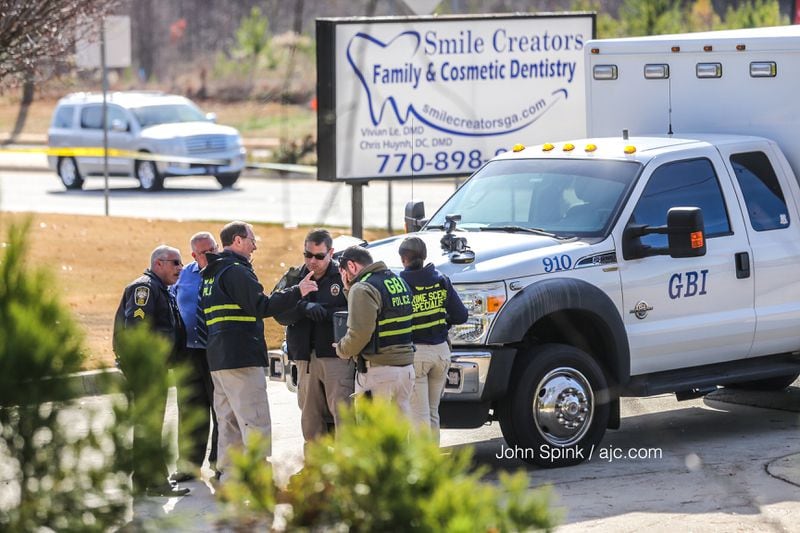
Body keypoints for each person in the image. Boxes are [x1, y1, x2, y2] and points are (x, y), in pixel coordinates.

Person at [199, 221, 317, 480]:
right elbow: (261, 306)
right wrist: (298, 291)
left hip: (218, 359)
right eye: (252, 239)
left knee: (228, 421)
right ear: (238, 241)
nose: (255, 245)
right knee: (254, 420)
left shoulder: (210, 274)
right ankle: (260, 481)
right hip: (241, 357)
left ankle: (230, 478)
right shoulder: (236, 271)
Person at [113, 245, 190, 497]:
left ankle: (144, 480)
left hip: (155, 367)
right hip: (147, 368)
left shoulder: (162, 289)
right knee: (150, 424)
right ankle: (154, 481)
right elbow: (138, 329)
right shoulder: (144, 288)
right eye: (175, 262)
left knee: (150, 425)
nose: (180, 268)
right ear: (159, 264)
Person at [274, 229, 352, 449]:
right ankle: (314, 469)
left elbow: (358, 310)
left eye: (319, 256)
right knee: (310, 417)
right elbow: (277, 310)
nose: (312, 261)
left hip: (336, 356)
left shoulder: (344, 276)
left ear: (331, 253)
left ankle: (346, 468)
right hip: (305, 358)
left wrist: (327, 313)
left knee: (343, 413)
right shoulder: (294, 277)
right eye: (308, 255)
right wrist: (302, 307)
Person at [398, 237, 468, 443]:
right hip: (441, 353)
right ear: (425, 256)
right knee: (432, 412)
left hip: (416, 355)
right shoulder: (441, 280)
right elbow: (461, 316)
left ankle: (422, 469)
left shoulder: (402, 284)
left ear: (403, 259)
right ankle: (433, 461)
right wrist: (442, 323)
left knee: (418, 417)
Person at [334, 246, 415, 415]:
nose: (345, 278)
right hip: (406, 370)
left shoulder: (362, 288)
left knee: (372, 435)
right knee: (400, 436)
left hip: (378, 372)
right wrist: (350, 291)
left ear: (351, 266)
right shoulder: (397, 280)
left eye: (344, 272)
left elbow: (360, 333)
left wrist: (342, 349)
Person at [170, 231, 219, 481]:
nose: (210, 254)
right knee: (190, 409)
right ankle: (188, 465)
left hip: (216, 351)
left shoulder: (224, 270)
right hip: (189, 351)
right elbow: (170, 298)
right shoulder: (184, 274)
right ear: (193, 254)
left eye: (213, 248)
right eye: (204, 252)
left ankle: (219, 462)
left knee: (220, 408)